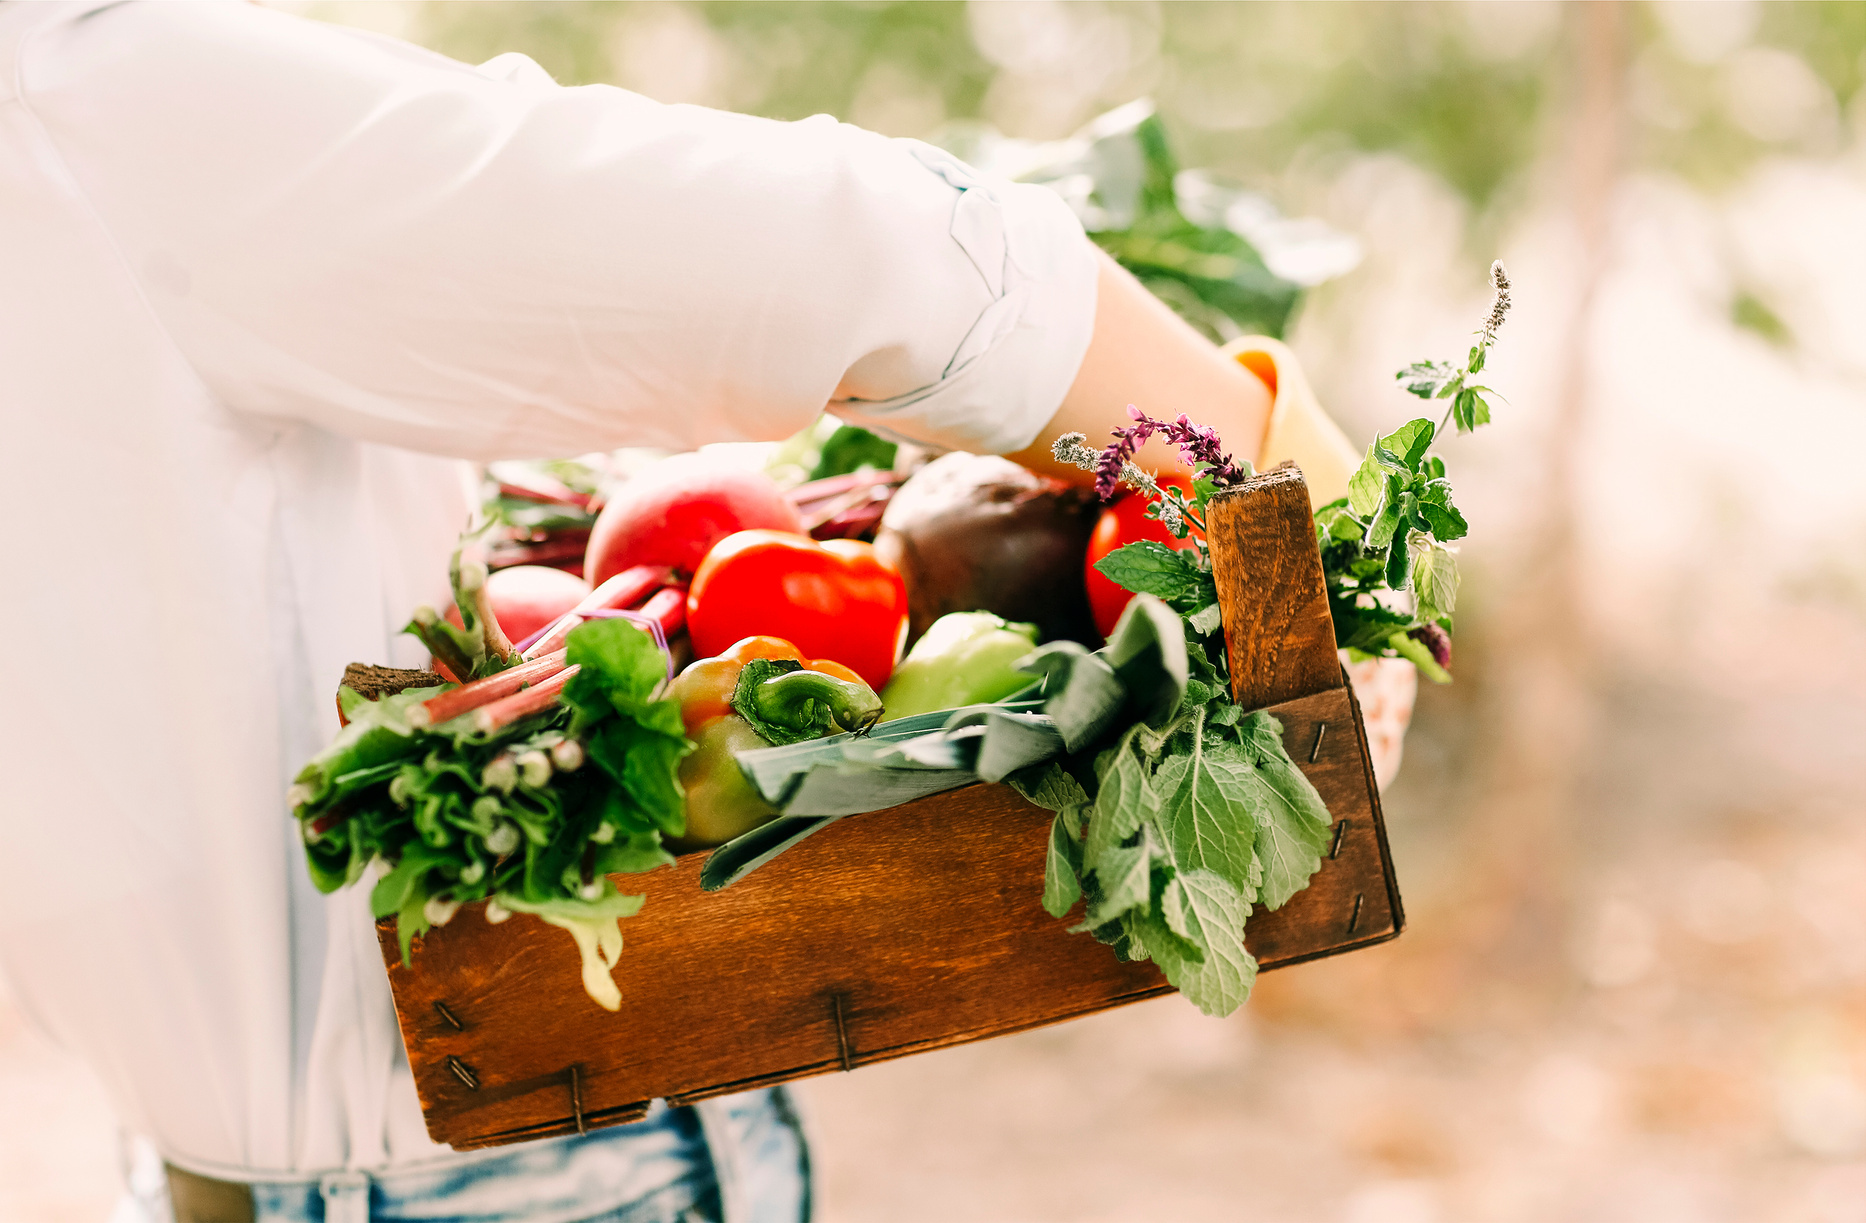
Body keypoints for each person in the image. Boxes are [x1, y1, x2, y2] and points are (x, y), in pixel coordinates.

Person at [0, 3, 1361, 1220]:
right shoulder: (88, 100)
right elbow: (888, 259)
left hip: (212, 1166)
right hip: (492, 1176)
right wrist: (1324, 522)